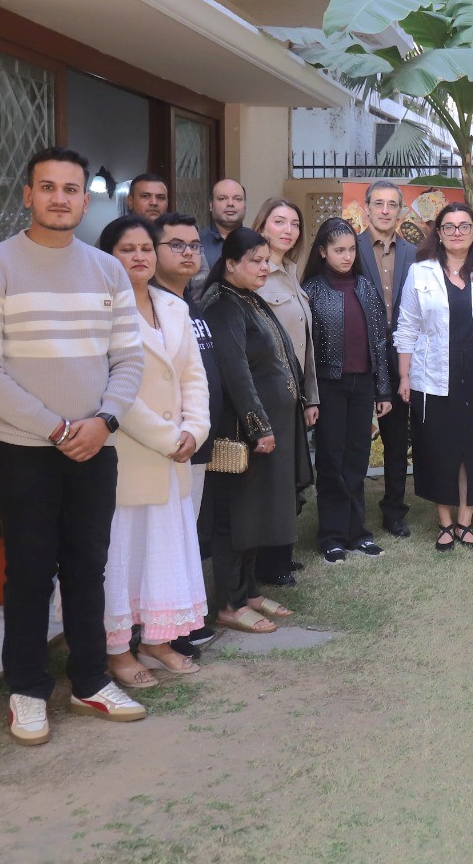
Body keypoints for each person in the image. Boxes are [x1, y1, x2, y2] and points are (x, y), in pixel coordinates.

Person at [0, 146, 147, 744]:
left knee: (88, 566)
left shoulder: (107, 271)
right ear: (28, 195)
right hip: (23, 448)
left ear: (84, 201)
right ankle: (27, 689)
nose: (59, 198)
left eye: (70, 189)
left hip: (95, 444)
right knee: (30, 571)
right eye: (48, 187)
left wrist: (105, 421)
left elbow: (128, 358)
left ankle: (90, 681)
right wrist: (57, 428)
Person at [96, 216, 210, 686]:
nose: (139, 257)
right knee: (122, 553)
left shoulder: (173, 306)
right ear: (108, 257)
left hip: (175, 454)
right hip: (127, 451)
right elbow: (110, 386)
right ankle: (117, 650)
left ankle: (157, 641)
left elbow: (193, 375)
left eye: (145, 248)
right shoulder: (101, 310)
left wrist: (195, 429)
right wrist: (168, 438)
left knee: (163, 550)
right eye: (128, 249)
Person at [199, 228, 311, 635]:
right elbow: (236, 372)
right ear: (230, 264)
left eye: (267, 260)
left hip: (270, 428)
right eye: (256, 261)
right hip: (243, 433)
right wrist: (259, 425)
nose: (265, 267)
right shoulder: (223, 305)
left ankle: (247, 594)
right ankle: (230, 603)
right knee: (236, 517)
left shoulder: (248, 298)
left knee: (256, 514)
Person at [394, 203, 473, 550]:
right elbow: (407, 328)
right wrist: (404, 376)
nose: (457, 232)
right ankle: (445, 522)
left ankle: (465, 520)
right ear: (439, 233)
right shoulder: (420, 273)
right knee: (439, 449)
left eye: (464, 226)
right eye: (449, 226)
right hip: (432, 378)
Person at [150, 212, 222, 657]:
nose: (189, 253)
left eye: (194, 245)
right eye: (176, 245)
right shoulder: (151, 306)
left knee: (188, 534)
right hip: (168, 445)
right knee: (169, 539)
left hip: (197, 440)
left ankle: (183, 621)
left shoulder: (189, 302)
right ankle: (166, 632)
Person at [302, 218, 393, 563]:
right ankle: (332, 535)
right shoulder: (311, 290)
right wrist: (311, 397)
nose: (346, 256)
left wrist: (383, 391)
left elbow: (379, 342)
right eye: (339, 250)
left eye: (351, 249)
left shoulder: (365, 287)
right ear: (322, 252)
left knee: (357, 458)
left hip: (363, 385)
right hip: (329, 386)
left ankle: (357, 533)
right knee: (331, 460)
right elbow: (307, 350)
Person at [249, 197, 320, 585]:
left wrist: (311, 398)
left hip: (295, 396)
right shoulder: (257, 276)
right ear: (262, 226)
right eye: (279, 222)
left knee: (290, 478)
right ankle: (267, 563)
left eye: (294, 224)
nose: (288, 230)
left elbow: (304, 345)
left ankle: (280, 555)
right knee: (271, 482)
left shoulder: (291, 272)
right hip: (268, 395)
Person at [356, 180, 419, 537]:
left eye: (391, 204)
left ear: (400, 211)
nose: (384, 210)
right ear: (366, 208)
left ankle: (394, 511)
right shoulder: (350, 248)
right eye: (378, 203)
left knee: (396, 440)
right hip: (358, 355)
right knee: (354, 439)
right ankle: (351, 512)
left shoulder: (415, 253)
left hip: (400, 358)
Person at [195, 179, 247, 286]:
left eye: (237, 199)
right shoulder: (197, 242)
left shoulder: (255, 243)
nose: (230, 203)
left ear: (245, 204)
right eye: (222, 198)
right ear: (211, 204)